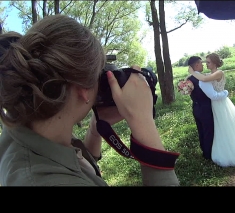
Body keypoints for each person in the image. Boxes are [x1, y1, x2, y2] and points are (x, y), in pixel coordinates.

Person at [0, 14, 180, 186]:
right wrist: (143, 122)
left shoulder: (27, 127)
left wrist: (95, 130)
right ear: (84, 90)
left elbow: (75, 168)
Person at [187, 56, 228, 160]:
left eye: (207, 62)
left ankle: (205, 152)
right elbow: (212, 94)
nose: (204, 64)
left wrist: (191, 73)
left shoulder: (188, 79)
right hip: (206, 108)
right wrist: (226, 92)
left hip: (196, 108)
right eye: (202, 63)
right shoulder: (202, 79)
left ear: (214, 63)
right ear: (196, 65)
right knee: (208, 131)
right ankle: (209, 154)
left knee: (202, 130)